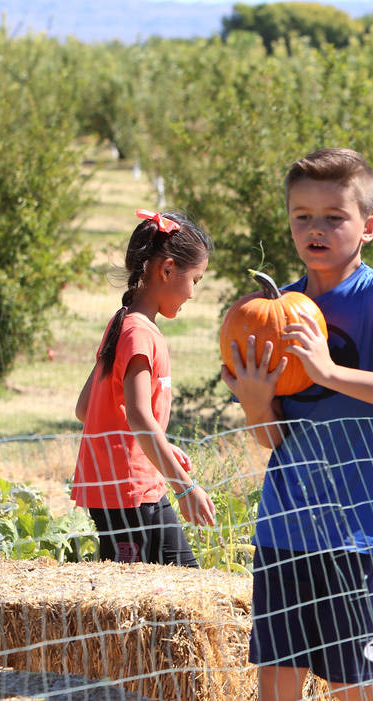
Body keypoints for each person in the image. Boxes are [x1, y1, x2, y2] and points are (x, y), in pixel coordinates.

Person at [221, 148, 373, 700]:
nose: (315, 229)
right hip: (285, 526)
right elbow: (273, 439)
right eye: (302, 216)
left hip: (362, 532)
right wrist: (255, 404)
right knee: (277, 681)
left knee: (354, 684)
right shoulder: (278, 309)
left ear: (368, 227)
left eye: (333, 217)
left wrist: (329, 371)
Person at [73, 209, 216, 566]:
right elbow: (138, 416)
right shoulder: (138, 333)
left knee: (182, 580)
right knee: (149, 591)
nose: (193, 293)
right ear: (167, 270)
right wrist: (185, 487)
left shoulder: (123, 324)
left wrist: (156, 446)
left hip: (133, 488)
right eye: (195, 280)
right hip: (130, 494)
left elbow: (85, 408)